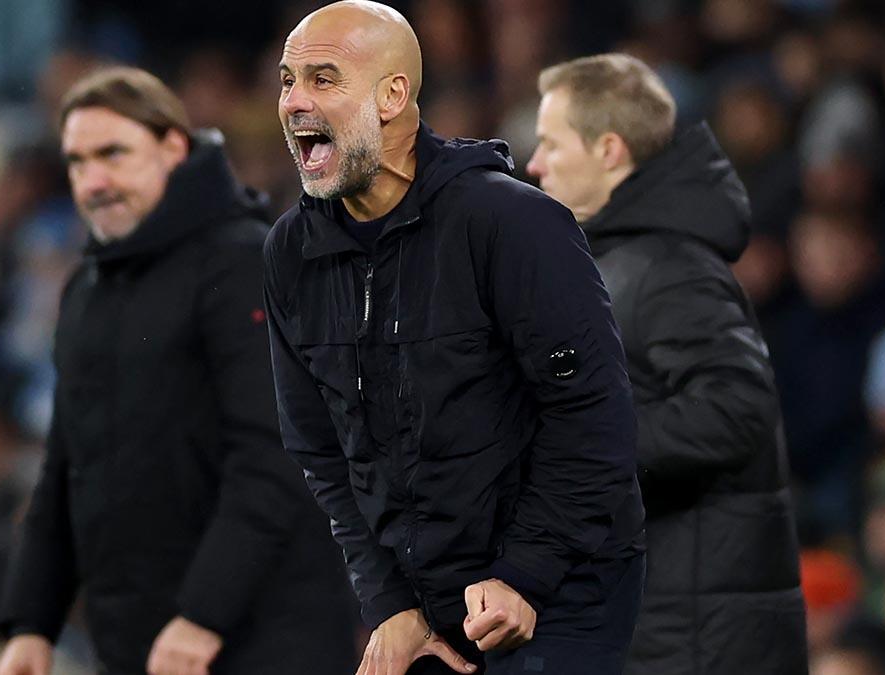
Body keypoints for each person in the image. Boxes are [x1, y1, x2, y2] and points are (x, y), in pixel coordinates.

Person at [264, 3, 645, 674]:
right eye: (288, 80)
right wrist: (388, 602)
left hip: (560, 594)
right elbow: (321, 451)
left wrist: (524, 573)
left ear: (393, 96)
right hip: (425, 605)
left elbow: (591, 417)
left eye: (323, 79)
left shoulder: (512, 223)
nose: (295, 101)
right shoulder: (291, 252)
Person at [0, 66, 357, 675]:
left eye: (113, 154)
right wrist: (32, 623)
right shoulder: (86, 287)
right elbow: (65, 464)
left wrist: (203, 616)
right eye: (77, 162)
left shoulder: (243, 261)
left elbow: (274, 455)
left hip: (262, 638)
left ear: (173, 147)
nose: (94, 182)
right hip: (141, 642)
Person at [526, 53, 807, 675]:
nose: (536, 163)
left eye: (551, 143)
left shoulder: (671, 267)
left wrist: (584, 446)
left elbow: (738, 408)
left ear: (609, 150)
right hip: (660, 626)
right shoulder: (619, 261)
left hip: (700, 641)